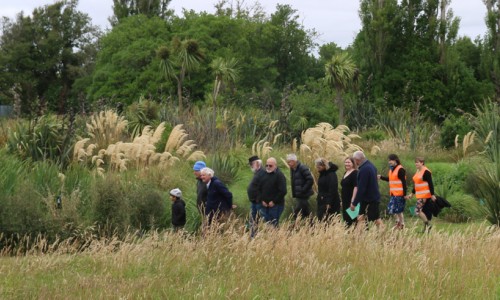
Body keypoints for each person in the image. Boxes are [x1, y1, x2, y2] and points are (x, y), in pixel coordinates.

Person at [350, 151, 384, 229]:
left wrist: (354, 203)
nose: (355, 163)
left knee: (376, 219)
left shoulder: (364, 170)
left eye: (354, 161)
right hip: (368, 198)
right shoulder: (371, 165)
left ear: (356, 159)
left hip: (371, 199)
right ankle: (358, 237)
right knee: (360, 218)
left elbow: (361, 188)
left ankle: (385, 236)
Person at [378, 154, 407, 230]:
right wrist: (381, 177)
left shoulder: (400, 169)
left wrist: (404, 194)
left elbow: (404, 183)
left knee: (398, 210)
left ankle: (401, 224)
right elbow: (390, 179)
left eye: (391, 160)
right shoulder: (391, 170)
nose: (389, 162)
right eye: (389, 160)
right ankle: (398, 223)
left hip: (399, 194)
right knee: (392, 209)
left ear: (395, 160)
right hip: (393, 193)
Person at [408, 157, 436, 233]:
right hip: (420, 195)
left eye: (417, 162)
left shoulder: (426, 172)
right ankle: (426, 228)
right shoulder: (418, 171)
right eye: (415, 162)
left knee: (417, 210)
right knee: (423, 211)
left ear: (422, 163)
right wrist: (412, 193)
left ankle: (428, 225)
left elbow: (430, 184)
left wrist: (432, 194)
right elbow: (416, 184)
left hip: (425, 194)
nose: (416, 164)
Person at [258, 157, 287, 227]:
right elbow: (258, 188)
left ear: (275, 166)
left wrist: (274, 201)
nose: (268, 167)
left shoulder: (280, 175)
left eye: (270, 165)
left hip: (276, 205)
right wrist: (261, 200)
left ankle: (276, 237)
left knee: (273, 224)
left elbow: (283, 191)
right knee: (267, 224)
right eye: (266, 165)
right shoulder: (263, 174)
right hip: (264, 205)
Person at [286, 154, 314, 220]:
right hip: (299, 194)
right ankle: (311, 226)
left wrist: (303, 190)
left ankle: (294, 226)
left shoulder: (302, 167)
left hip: (304, 194)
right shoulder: (292, 169)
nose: (288, 163)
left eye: (289, 162)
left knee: (296, 212)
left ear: (293, 161)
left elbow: (310, 180)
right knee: (306, 211)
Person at [247, 155, 266, 235]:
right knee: (253, 221)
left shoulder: (262, 172)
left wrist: (259, 199)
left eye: (252, 164)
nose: (251, 166)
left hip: (259, 202)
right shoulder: (257, 172)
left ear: (257, 163)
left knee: (267, 220)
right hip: (254, 202)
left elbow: (264, 187)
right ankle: (253, 237)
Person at [341, 156, 358, 227]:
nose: (347, 164)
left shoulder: (355, 172)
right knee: (346, 219)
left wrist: (353, 201)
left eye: (349, 162)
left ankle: (355, 235)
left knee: (352, 218)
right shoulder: (346, 172)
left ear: (353, 163)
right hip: (345, 199)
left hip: (351, 199)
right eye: (346, 162)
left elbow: (356, 187)